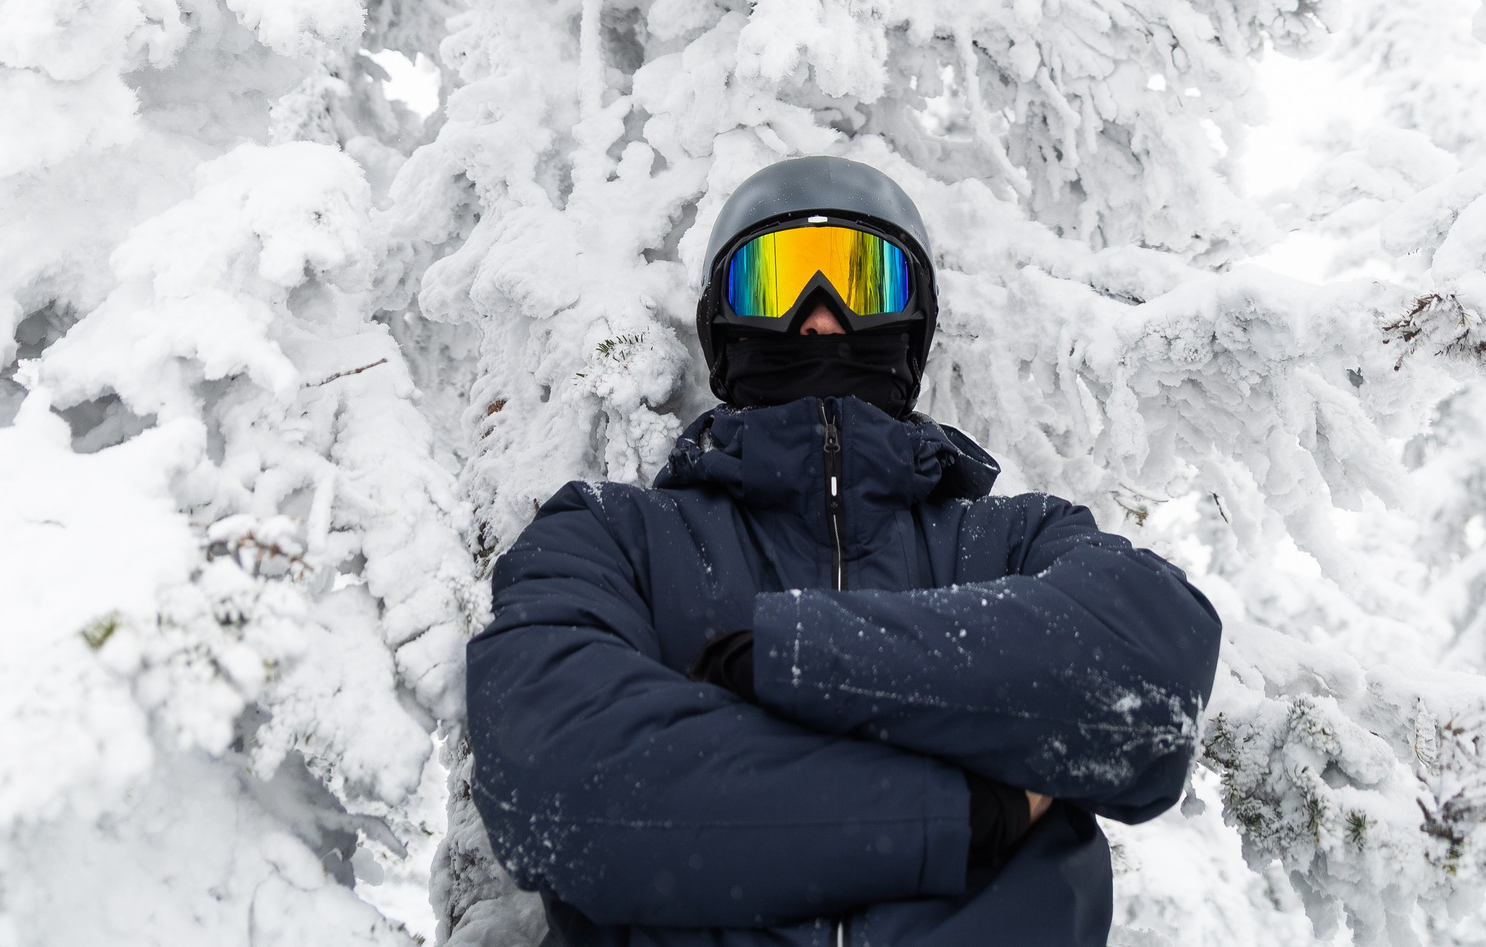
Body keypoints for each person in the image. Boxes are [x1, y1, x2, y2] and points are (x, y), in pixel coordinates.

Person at [466, 156, 1224, 946]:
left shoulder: (1014, 540)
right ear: (722, 328)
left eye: (863, 283)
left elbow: (1152, 692)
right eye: (776, 284)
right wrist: (970, 811)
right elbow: (557, 787)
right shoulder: (614, 538)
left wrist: (790, 661)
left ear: (915, 322)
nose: (820, 318)